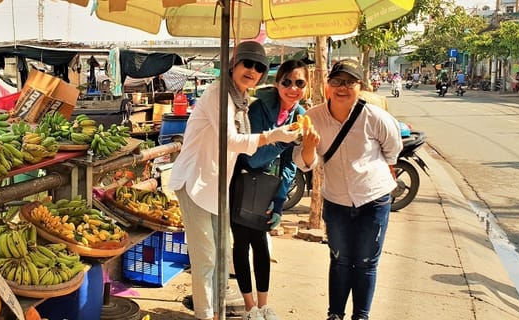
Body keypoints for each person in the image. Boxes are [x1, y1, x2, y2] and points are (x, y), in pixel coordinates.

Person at [168, 41, 300, 320]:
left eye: (259, 67)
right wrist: (274, 136)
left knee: (219, 258)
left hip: (215, 187)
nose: (252, 70)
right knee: (206, 259)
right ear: (234, 65)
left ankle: (217, 313)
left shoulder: (240, 99)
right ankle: (207, 315)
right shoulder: (219, 94)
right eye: (247, 64)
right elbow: (230, 141)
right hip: (194, 182)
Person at [293, 59, 402, 320]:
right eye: (337, 82)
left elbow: (393, 150)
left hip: (373, 199)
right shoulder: (312, 118)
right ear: (328, 85)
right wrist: (309, 146)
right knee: (340, 259)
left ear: (360, 86)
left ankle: (360, 317)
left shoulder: (375, 117)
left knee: (366, 262)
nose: (342, 88)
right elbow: (303, 162)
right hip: (337, 201)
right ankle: (335, 315)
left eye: (349, 82)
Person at [231, 59, 309, 320]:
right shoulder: (258, 109)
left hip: (268, 189)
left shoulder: (300, 117)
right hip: (241, 185)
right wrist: (280, 139)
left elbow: (290, 166)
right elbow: (250, 158)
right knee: (242, 245)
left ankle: (264, 306)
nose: (292, 88)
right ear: (277, 84)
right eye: (287, 82)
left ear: (306, 87)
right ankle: (250, 306)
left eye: (299, 83)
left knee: (261, 245)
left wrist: (279, 202)